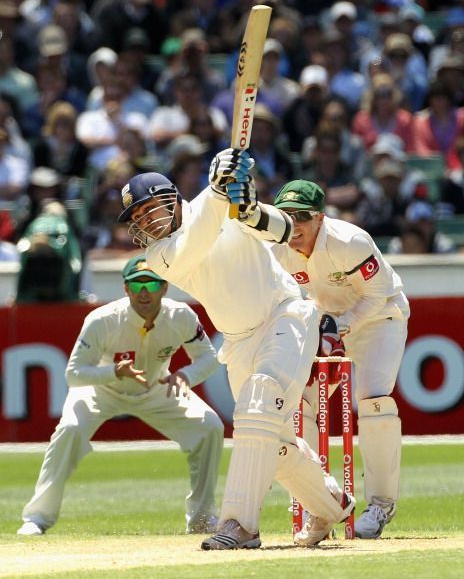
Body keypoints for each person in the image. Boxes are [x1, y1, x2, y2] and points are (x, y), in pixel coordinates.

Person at [116, 153, 355, 550]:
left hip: (286, 316)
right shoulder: (158, 257)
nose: (144, 224)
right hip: (238, 340)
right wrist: (219, 195)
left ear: (172, 198)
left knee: (258, 407)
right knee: (270, 444)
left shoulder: (219, 205)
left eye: (147, 211)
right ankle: (332, 504)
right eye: (136, 221)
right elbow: (193, 244)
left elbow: (282, 230)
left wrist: (246, 208)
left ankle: (239, 524)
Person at [17, 255, 224, 535]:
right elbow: (74, 374)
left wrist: (185, 376)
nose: (143, 292)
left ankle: (201, 518)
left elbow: (208, 358)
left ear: (165, 287)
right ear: (125, 289)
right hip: (100, 389)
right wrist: (114, 372)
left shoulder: (181, 316)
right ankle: (37, 518)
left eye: (151, 284)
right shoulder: (102, 319)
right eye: (136, 284)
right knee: (69, 429)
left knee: (210, 427)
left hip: (156, 386)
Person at [271, 179, 409, 539]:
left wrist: (340, 327)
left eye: (302, 216)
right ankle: (316, 503)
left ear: (320, 218)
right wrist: (321, 330)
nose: (294, 225)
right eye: (286, 216)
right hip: (326, 323)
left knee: (374, 402)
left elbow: (378, 292)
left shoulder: (350, 241)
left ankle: (380, 504)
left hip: (380, 318)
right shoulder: (276, 248)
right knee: (301, 406)